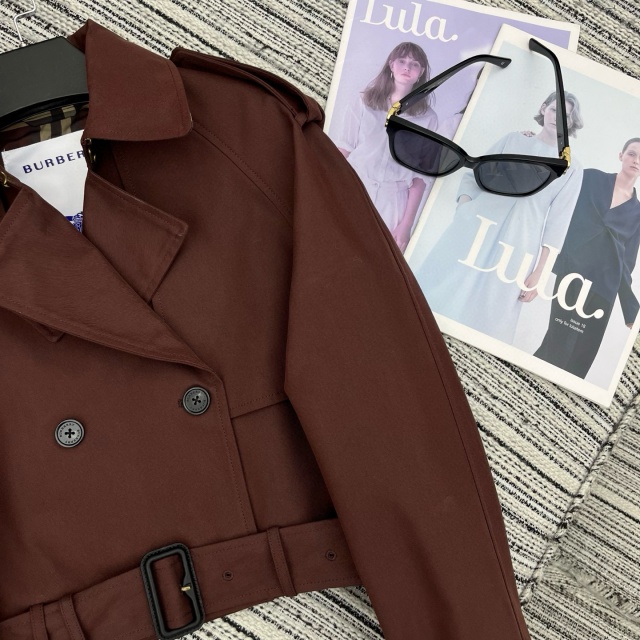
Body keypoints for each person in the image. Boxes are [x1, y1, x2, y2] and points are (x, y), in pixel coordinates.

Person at [414, 90, 584, 344]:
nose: (556, 119)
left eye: (565, 116)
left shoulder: (572, 168)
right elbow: (474, 173)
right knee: (441, 293)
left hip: (517, 244)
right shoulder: (514, 140)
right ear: (543, 108)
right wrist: (465, 208)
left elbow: (558, 224)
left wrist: (539, 273)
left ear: (571, 122)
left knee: (491, 317)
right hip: (476, 227)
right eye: (553, 110)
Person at [534, 138, 640, 377]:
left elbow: (626, 263)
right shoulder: (591, 178)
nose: (636, 161)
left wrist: (630, 309)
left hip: (605, 288)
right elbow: (561, 203)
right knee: (557, 343)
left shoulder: (638, 213)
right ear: (621, 155)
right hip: (572, 272)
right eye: (632, 154)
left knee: (581, 357)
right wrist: (538, 141)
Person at [336, 42, 438, 251]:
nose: (407, 67)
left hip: (393, 201)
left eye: (415, 64)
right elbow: (343, 150)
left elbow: (420, 177)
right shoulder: (364, 102)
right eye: (402, 61)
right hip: (354, 188)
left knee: (376, 258)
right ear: (391, 64)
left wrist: (406, 225)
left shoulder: (428, 118)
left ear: (421, 72)